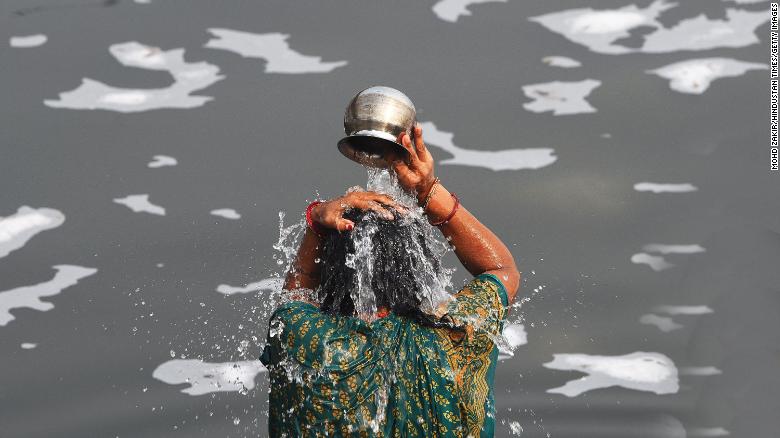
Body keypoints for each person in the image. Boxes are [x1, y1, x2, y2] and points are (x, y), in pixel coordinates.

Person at [260, 123, 520, 437]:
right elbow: (500, 269)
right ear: (420, 265)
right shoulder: (460, 335)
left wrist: (316, 221)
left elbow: (299, 285)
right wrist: (427, 191)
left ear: (333, 271)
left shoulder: (304, 340)